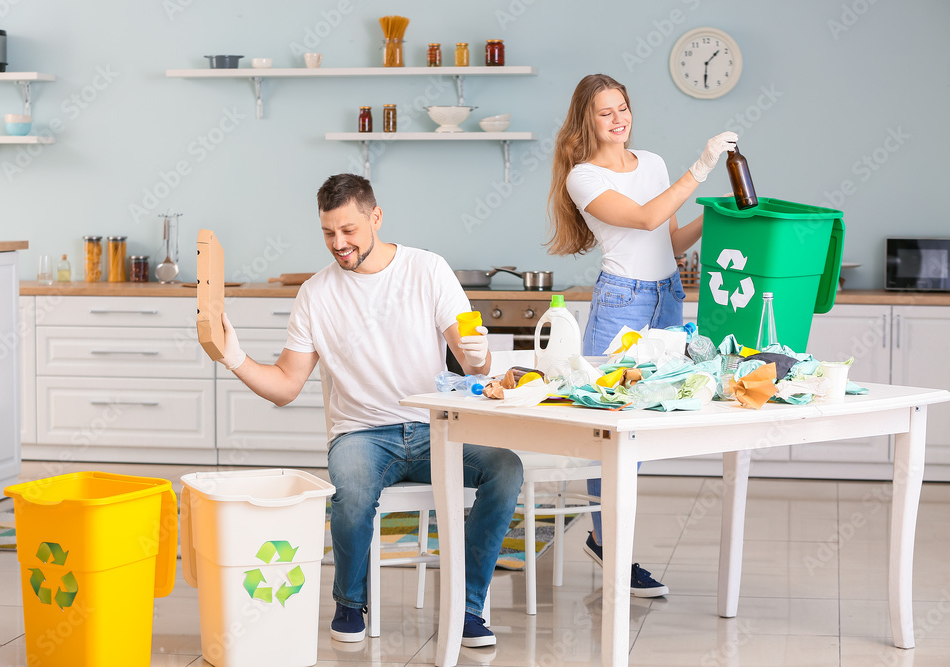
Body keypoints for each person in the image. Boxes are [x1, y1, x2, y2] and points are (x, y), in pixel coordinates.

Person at [215, 173, 524, 648]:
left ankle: (467, 607)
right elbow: (285, 387)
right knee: (352, 491)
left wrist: (480, 355)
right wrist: (233, 357)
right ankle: (349, 601)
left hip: (431, 428)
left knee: (505, 468)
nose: (338, 244)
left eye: (349, 231)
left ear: (375, 217)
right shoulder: (316, 295)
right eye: (328, 233)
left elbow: (473, 367)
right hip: (360, 435)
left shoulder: (427, 270)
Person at [547, 73, 737, 597]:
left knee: (658, 414)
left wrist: (715, 215)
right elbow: (644, 215)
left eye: (623, 107)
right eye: (606, 111)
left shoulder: (651, 164)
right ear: (587, 119)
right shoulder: (582, 178)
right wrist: (700, 168)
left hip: (667, 294)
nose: (618, 119)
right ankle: (609, 544)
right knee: (606, 426)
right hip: (621, 302)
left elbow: (668, 235)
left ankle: (610, 540)